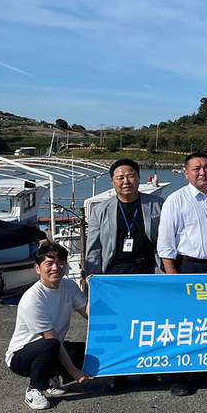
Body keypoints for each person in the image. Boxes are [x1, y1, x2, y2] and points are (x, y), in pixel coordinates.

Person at [84, 158, 163, 392]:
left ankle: (148, 370)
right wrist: (93, 278)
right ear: (112, 181)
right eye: (120, 177)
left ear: (139, 178)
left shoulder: (157, 204)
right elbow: (93, 247)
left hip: (148, 270)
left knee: (149, 323)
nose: (126, 181)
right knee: (119, 325)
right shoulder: (101, 209)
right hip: (115, 273)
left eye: (131, 176)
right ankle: (118, 372)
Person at [158, 152, 207, 396]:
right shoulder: (175, 200)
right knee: (185, 323)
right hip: (189, 267)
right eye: (197, 168)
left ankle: (205, 369)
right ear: (186, 172)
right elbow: (166, 245)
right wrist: (172, 276)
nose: (203, 172)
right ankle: (178, 376)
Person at [6, 242, 93, 410]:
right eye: (49, 263)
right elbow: (51, 339)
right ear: (37, 268)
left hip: (50, 348)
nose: (56, 267)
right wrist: (75, 372)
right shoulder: (33, 298)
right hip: (20, 357)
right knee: (51, 345)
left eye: (61, 262)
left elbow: (88, 313)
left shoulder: (69, 286)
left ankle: (50, 379)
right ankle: (34, 389)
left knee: (84, 351)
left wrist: (95, 291)